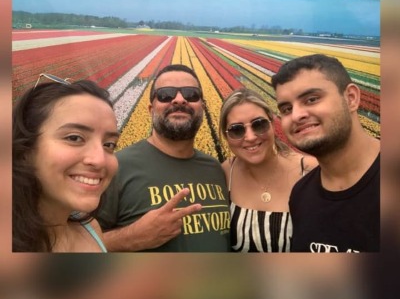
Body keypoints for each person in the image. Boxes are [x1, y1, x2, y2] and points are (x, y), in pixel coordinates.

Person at [97, 64, 231, 252]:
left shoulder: (215, 169)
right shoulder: (117, 167)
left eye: (191, 94)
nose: (179, 99)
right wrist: (131, 237)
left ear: (203, 107)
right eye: (165, 95)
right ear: (151, 109)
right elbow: (73, 243)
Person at [271, 54, 380, 252]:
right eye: (286, 109)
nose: (296, 115)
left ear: (351, 98)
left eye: (311, 99)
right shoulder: (301, 196)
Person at [12, 74, 120, 252]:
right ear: (25, 149)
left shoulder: (90, 229)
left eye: (109, 145)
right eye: (74, 138)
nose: (100, 160)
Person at [219, 88, 318, 252]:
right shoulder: (226, 172)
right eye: (237, 130)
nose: (250, 137)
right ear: (226, 135)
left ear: (272, 124)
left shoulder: (309, 171)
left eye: (259, 124)